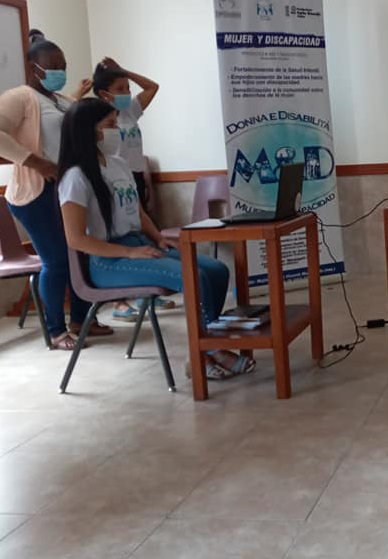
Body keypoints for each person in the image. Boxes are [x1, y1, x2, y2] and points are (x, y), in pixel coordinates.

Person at [57, 98, 253, 379]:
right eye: (110, 124)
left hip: (140, 244)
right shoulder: (75, 178)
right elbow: (75, 239)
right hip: (108, 261)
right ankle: (209, 350)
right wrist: (129, 253)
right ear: (88, 130)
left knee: (217, 270)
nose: (117, 131)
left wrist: (158, 238)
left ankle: (204, 351)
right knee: (193, 277)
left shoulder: (118, 164)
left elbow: (137, 211)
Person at [0, 40, 107, 349]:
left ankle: (81, 320)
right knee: (58, 260)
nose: (59, 71)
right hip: (36, 193)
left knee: (80, 253)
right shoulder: (19, 97)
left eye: (63, 66)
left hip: (67, 188)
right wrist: (36, 163)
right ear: (33, 68)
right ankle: (56, 330)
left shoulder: (60, 100)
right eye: (53, 67)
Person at [74, 57, 169, 319]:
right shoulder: (96, 119)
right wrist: (78, 93)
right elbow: (71, 119)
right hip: (108, 178)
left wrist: (124, 71)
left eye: (128, 88)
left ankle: (145, 292)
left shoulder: (127, 113)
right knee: (114, 233)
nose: (127, 93)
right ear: (104, 94)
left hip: (131, 175)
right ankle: (119, 301)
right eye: (120, 89)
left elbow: (152, 87)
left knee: (140, 229)